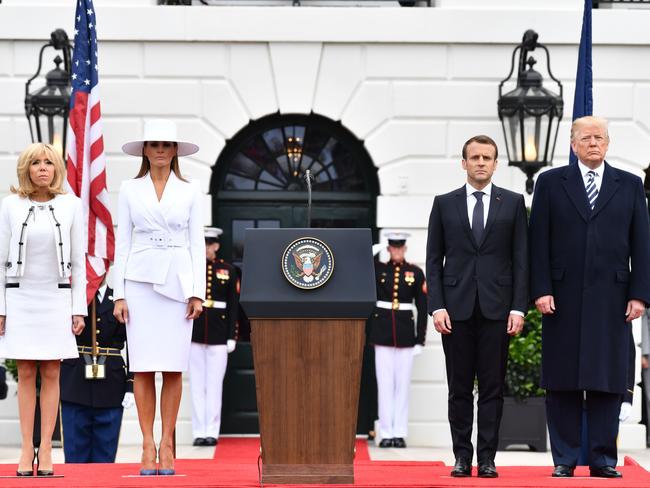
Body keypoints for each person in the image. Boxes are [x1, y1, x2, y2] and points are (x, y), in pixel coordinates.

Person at [529, 115, 650, 478]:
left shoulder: (629, 185)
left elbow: (642, 245)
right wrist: (541, 289)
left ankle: (602, 459)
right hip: (561, 298)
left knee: (606, 380)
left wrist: (640, 295)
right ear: (573, 144)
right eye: (585, 138)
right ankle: (564, 458)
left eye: (599, 137)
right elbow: (538, 242)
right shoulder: (550, 183)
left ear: (608, 143)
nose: (593, 143)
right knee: (562, 379)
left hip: (613, 300)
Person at [426, 134, 528, 478]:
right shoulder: (444, 203)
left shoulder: (512, 204)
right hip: (455, 311)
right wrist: (436, 306)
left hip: (498, 311)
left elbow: (521, 260)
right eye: (475, 157)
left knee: (492, 388)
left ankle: (487, 458)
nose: (481, 162)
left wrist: (518, 308)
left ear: (496, 164)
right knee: (458, 388)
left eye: (487, 157)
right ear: (464, 162)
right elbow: (433, 259)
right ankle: (461, 456)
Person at [113, 119, 205, 476]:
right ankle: (146, 443)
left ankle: (168, 442)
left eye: (167, 145)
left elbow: (197, 242)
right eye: (155, 145)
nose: (161, 151)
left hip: (179, 284)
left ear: (176, 150)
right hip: (139, 281)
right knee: (143, 367)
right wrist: (119, 294)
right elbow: (122, 242)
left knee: (172, 366)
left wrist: (198, 291)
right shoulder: (130, 189)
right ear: (145, 150)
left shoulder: (191, 189)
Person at [0, 142, 86, 477]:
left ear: (56, 169)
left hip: (56, 297)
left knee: (52, 371)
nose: (42, 168)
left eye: (48, 163)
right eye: (35, 163)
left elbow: (78, 262)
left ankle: (47, 447)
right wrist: (1, 308)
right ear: (26, 168)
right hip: (21, 297)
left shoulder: (71, 206)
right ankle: (26, 448)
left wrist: (78, 308)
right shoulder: (10, 205)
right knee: (25, 372)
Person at [59, 278, 135, 463]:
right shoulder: (71, 298)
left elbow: (134, 345)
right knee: (74, 457)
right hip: (74, 383)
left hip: (110, 385)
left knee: (105, 457)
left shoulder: (119, 298)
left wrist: (131, 385)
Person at [367, 232, 427, 449]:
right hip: (382, 332)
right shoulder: (379, 269)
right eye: (393, 247)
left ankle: (399, 433)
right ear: (389, 248)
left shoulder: (416, 272)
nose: (397, 251)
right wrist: (378, 248)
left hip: (405, 335)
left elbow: (423, 306)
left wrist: (420, 340)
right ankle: (385, 433)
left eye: (400, 247)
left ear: (405, 248)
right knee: (384, 385)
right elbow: (363, 264)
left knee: (402, 386)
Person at [190, 227, 239, 447]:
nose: (205, 248)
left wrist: (232, 335)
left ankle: (212, 431)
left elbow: (234, 307)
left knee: (214, 385)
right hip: (196, 333)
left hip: (219, 334)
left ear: (216, 246)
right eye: (202, 244)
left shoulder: (227, 270)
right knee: (196, 385)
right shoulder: (191, 270)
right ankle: (198, 431)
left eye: (209, 244)